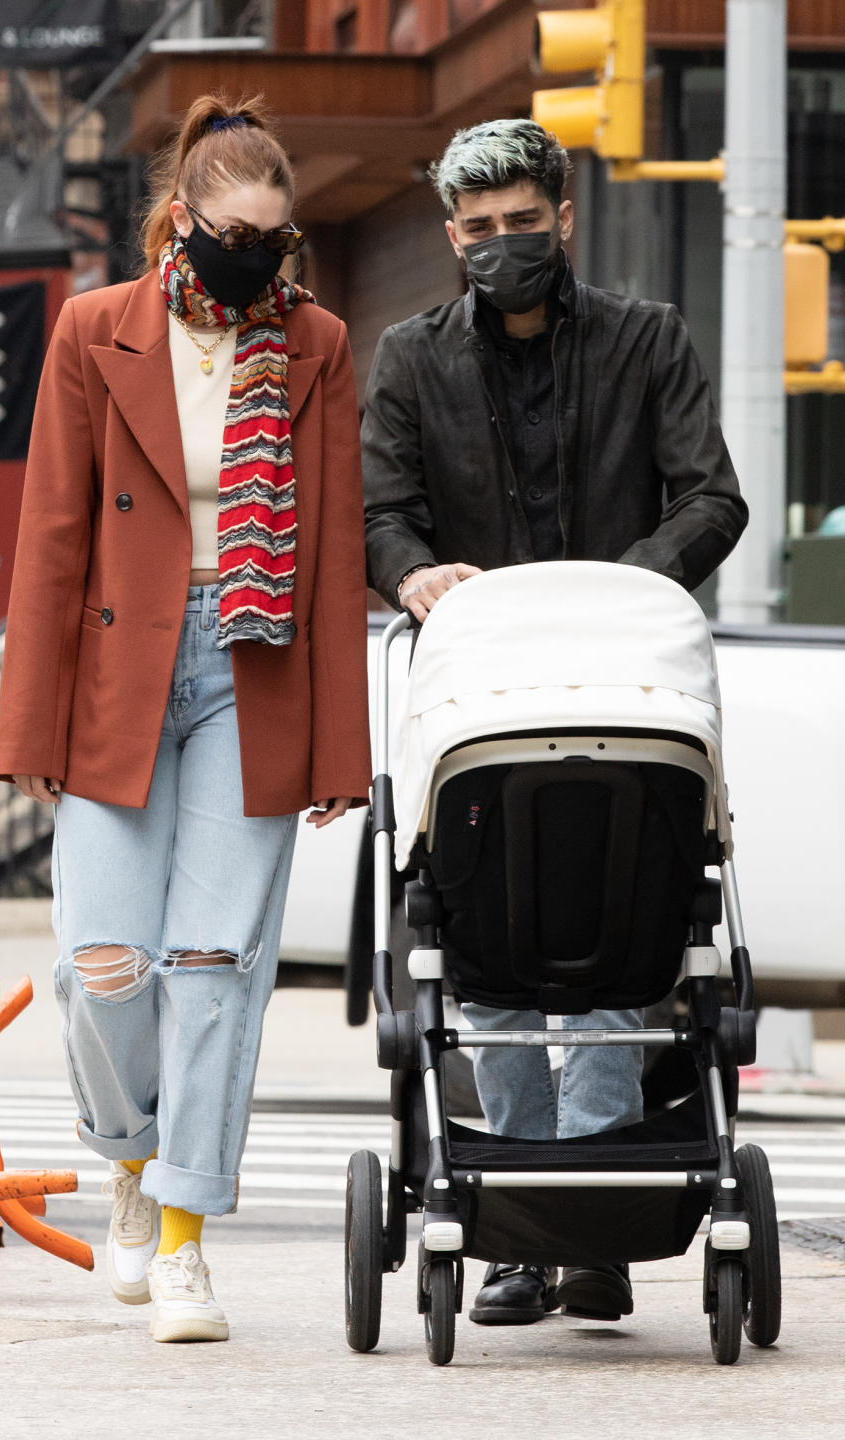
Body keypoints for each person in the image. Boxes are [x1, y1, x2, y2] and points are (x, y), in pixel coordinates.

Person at [0, 93, 370, 1344]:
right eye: (237, 235)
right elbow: (52, 532)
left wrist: (338, 744)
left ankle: (189, 1236)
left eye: (278, 240)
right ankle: (131, 1161)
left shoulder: (313, 342)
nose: (258, 261)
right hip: (116, 672)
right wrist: (30, 723)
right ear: (184, 218)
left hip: (251, 670)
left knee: (213, 972)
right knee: (106, 967)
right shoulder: (97, 329)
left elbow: (329, 548)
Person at [361, 117, 747, 1328]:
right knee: (495, 959)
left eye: (523, 225)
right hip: (484, 704)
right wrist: (413, 574)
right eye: (478, 232)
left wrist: (627, 586)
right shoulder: (411, 359)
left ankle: (599, 1232)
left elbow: (713, 496)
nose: (502, 247)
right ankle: (521, 1232)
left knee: (624, 949)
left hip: (625, 696)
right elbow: (384, 514)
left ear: (564, 220)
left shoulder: (648, 341)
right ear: (450, 239)